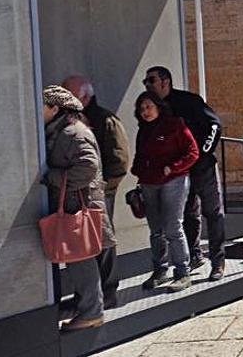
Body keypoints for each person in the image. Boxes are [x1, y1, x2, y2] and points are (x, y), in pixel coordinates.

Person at [42, 85, 115, 331]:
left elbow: (87, 168)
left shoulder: (73, 133)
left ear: (55, 108)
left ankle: (92, 312)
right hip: (73, 204)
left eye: (42, 105)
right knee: (77, 260)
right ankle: (87, 308)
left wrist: (51, 177)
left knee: (81, 259)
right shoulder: (62, 131)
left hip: (78, 206)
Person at [143, 67, 225, 281]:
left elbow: (214, 125)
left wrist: (204, 153)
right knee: (185, 216)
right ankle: (193, 256)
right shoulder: (153, 111)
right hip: (177, 174)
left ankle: (218, 261)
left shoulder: (189, 101)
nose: (148, 84)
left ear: (165, 81)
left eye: (151, 80)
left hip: (202, 167)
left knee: (212, 212)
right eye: (146, 81)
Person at [62, 75, 129, 309]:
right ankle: (89, 293)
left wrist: (105, 187)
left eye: (69, 93)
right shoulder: (68, 120)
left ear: (85, 96)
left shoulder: (105, 120)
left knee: (103, 240)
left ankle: (108, 290)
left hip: (100, 192)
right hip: (78, 193)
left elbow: (120, 159)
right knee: (84, 243)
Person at [131, 91, 199, 292]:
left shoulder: (175, 125)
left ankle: (182, 271)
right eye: (142, 109)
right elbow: (139, 156)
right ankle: (160, 270)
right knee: (156, 230)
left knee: (172, 227)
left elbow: (192, 152)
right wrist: (137, 170)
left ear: (159, 106)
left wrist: (174, 167)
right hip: (149, 183)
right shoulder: (143, 131)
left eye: (149, 106)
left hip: (174, 181)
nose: (145, 112)